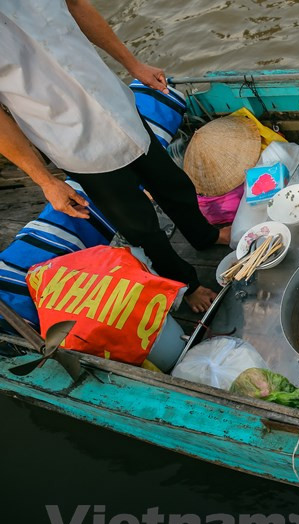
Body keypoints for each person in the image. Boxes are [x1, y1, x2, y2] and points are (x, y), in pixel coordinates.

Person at [0, 0, 228, 313]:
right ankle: (187, 285)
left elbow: (77, 6)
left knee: (174, 184)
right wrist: (45, 181)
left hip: (117, 107)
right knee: (139, 225)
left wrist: (134, 65)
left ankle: (205, 235)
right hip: (73, 141)